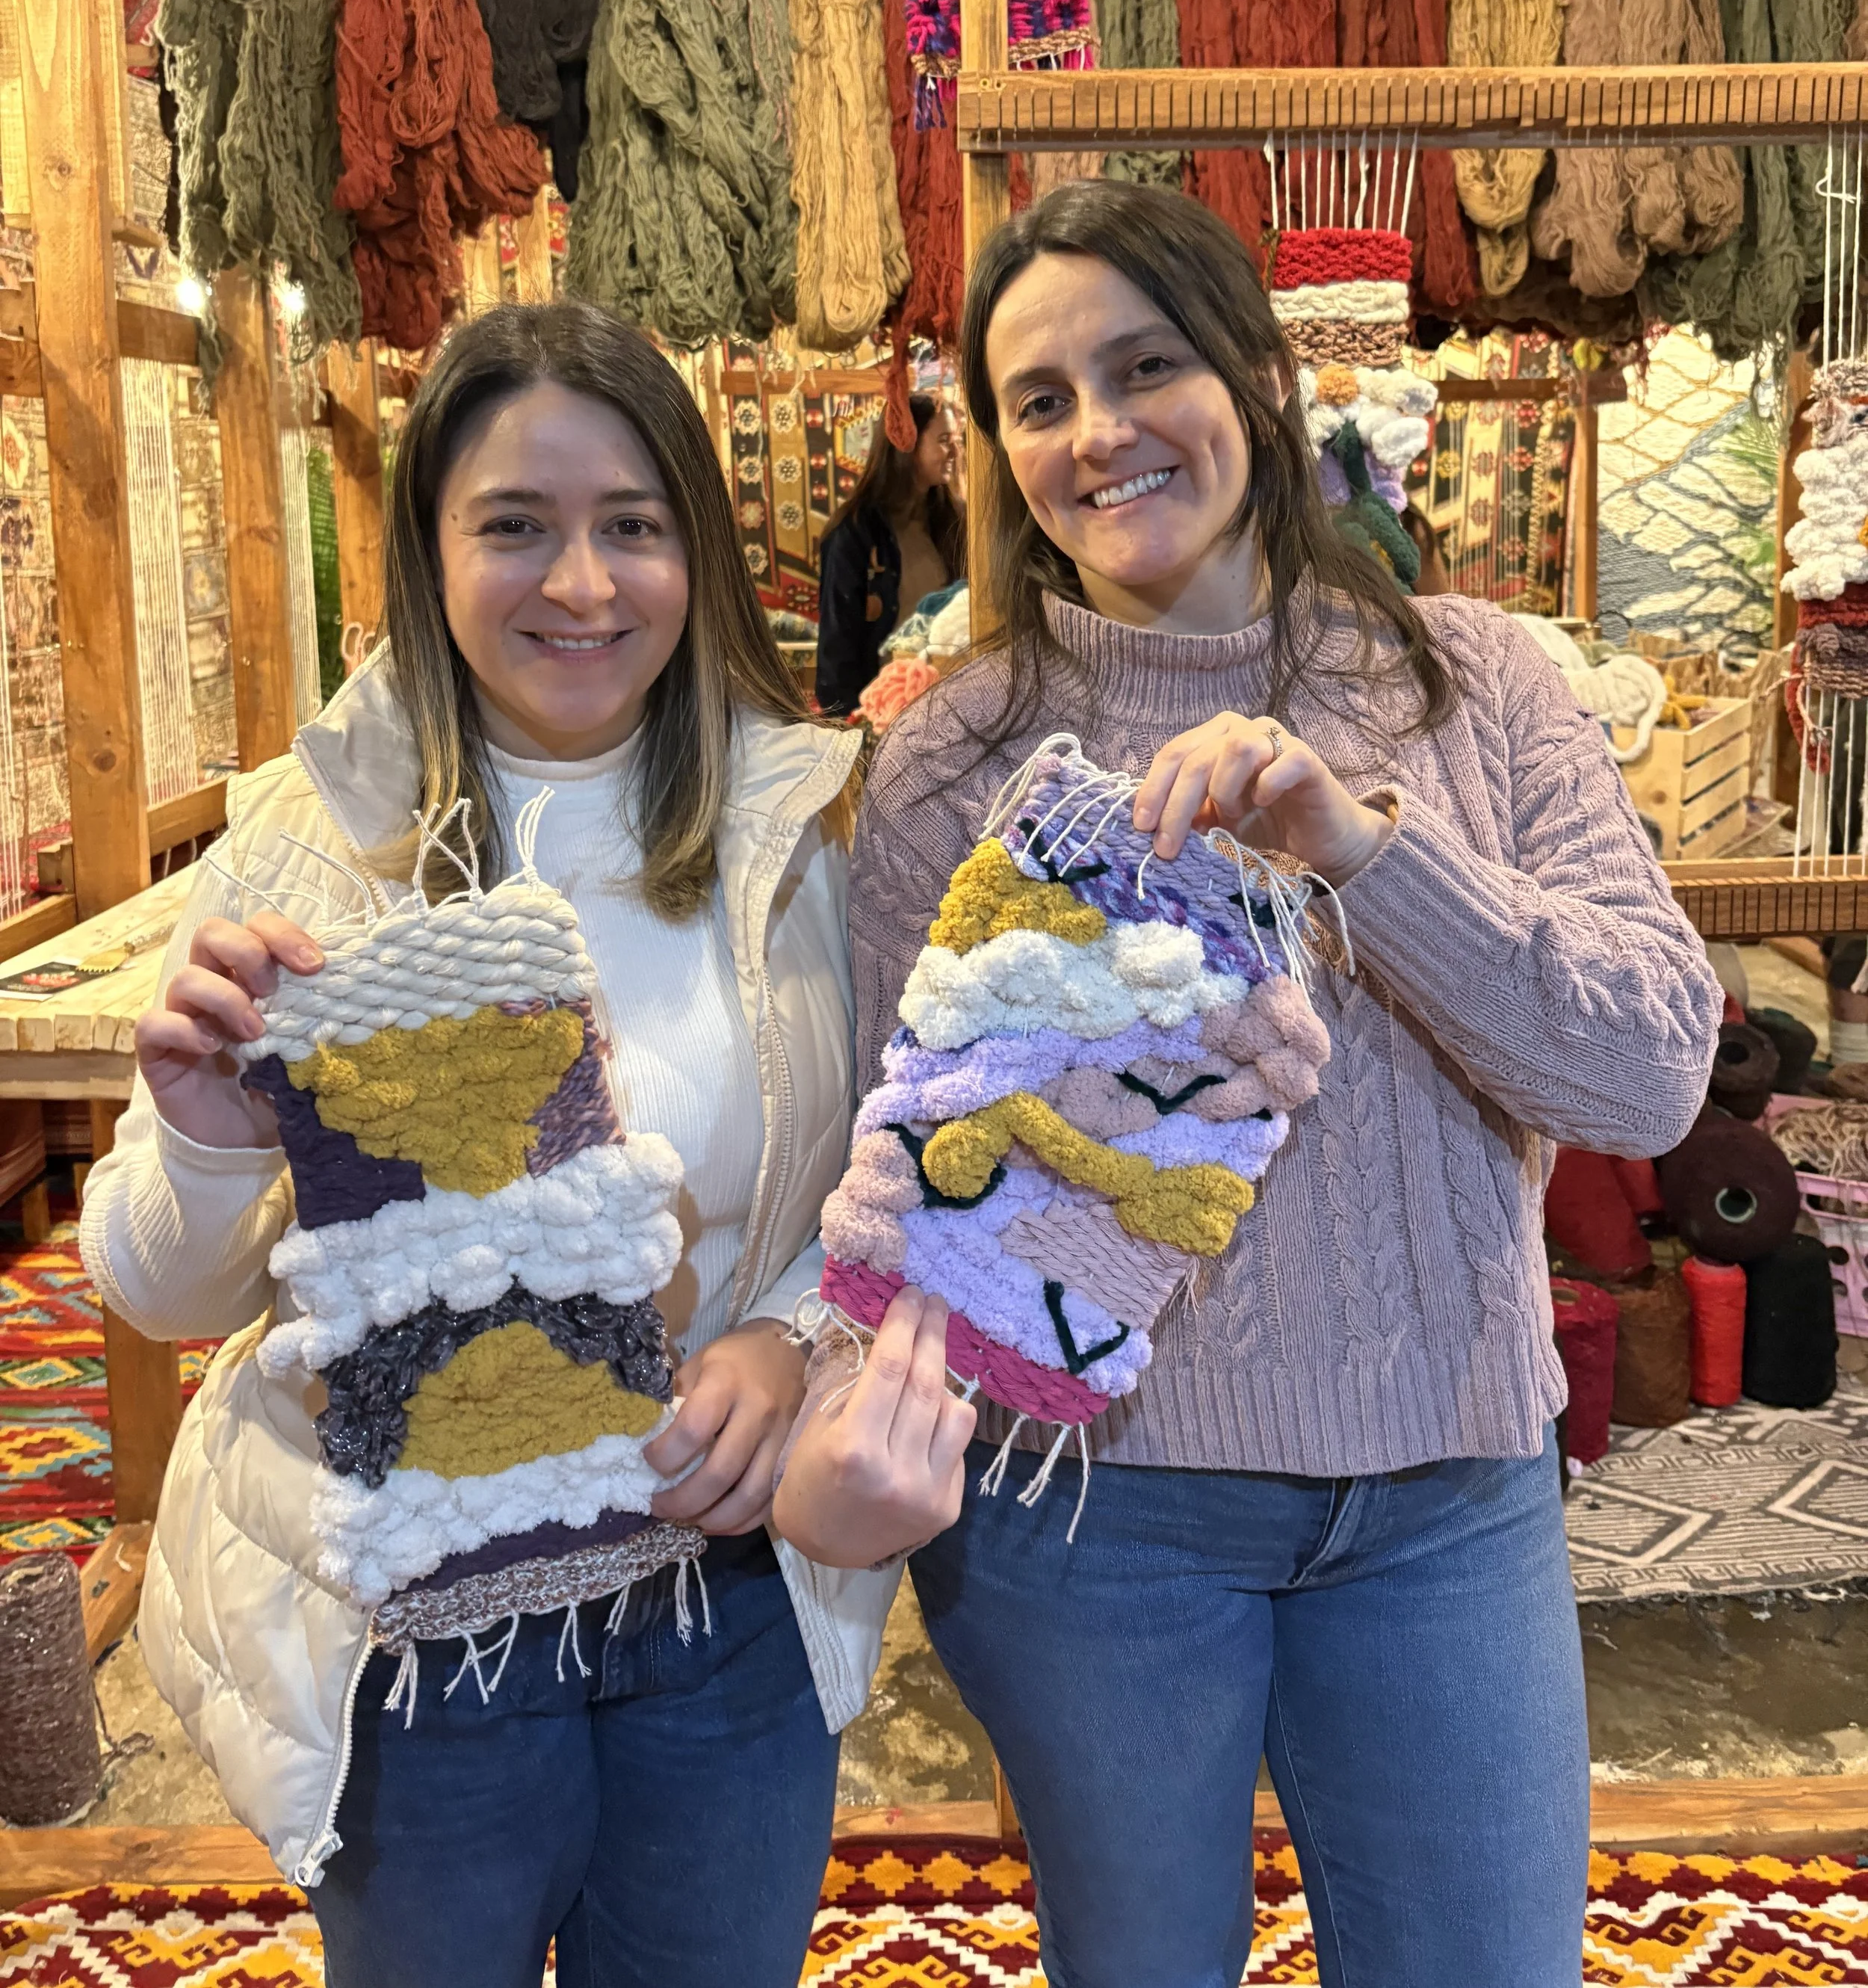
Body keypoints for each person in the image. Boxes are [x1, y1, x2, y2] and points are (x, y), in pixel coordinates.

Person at [774, 182, 1720, 1988]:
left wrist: (1359, 846)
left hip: (1446, 1487)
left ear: (1265, 382)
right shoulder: (950, 756)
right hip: (1088, 1517)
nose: (1099, 431)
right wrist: (840, 1422)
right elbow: (890, 1168)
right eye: (1039, 398)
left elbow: (1654, 1071)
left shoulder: (1480, 687)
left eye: (1148, 366)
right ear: (993, 446)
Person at [82, 303, 897, 1988]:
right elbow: (162, 1295)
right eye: (514, 525)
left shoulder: (807, 824)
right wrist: (209, 1140)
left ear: (699, 548)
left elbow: (897, 1185)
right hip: (409, 1641)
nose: (581, 586)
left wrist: (795, 1332)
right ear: (429, 551)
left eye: (632, 526)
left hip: (718, 1599)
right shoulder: (306, 848)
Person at [813, 391, 965, 715]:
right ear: (906, 445)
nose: (956, 450)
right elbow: (836, 653)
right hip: (883, 712)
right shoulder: (852, 536)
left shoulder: (954, 523)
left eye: (957, 439)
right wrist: (851, 736)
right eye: (943, 440)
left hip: (951, 705)